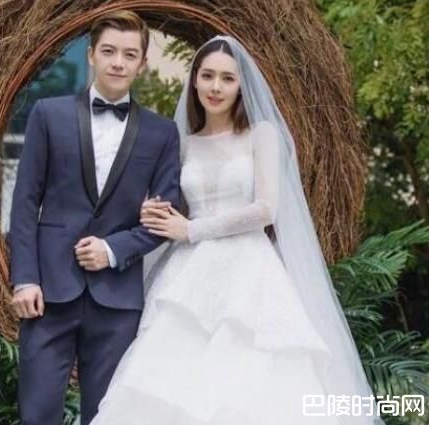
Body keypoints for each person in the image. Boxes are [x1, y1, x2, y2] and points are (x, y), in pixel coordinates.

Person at [88, 36, 386, 424]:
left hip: (249, 272)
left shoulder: (262, 135)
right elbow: (171, 207)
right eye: (207, 76)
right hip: (188, 275)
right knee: (172, 376)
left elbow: (265, 209)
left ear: (241, 86)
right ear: (194, 80)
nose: (216, 87)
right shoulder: (184, 144)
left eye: (227, 79)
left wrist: (192, 229)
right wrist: (151, 210)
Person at [8, 11, 181, 425]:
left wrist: (113, 249)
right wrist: (25, 278)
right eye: (108, 51)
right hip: (49, 293)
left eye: (129, 54)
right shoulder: (48, 115)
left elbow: (166, 217)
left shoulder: (162, 133)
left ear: (142, 63)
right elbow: (25, 202)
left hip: (117, 299)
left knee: (106, 416)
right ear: (91, 55)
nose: (118, 62)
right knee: (37, 413)